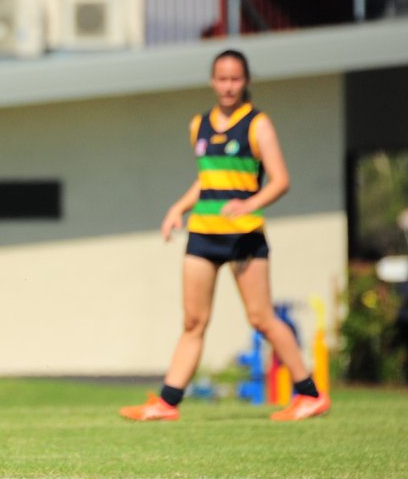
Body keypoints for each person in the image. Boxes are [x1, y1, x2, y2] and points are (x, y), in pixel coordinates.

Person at [120, 49, 330, 422]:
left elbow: (281, 180)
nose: (229, 86)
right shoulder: (197, 125)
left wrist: (250, 205)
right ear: (212, 81)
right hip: (203, 233)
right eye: (222, 78)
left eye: (235, 79)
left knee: (261, 318)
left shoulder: (257, 125)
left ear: (246, 81)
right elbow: (208, 178)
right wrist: (177, 208)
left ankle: (310, 395)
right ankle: (167, 403)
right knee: (193, 322)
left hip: (243, 235)